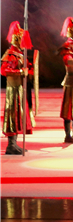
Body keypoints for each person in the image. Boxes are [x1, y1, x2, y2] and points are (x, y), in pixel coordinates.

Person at [2, 22, 33, 154]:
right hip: (13, 90)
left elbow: (27, 69)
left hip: (20, 89)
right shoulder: (11, 54)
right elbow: (4, 70)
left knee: (18, 117)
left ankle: (14, 144)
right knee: (12, 117)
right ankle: (11, 145)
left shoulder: (20, 54)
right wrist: (20, 72)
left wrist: (29, 70)